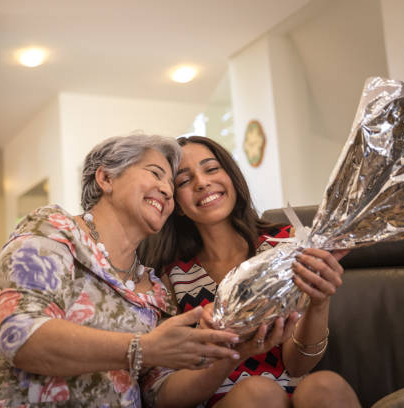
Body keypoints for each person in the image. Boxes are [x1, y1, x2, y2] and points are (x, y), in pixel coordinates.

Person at [0, 134, 242, 408]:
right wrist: (143, 348)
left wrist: (234, 351)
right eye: (155, 173)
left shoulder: (157, 291)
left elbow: (160, 395)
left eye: (171, 187)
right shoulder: (54, 231)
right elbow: (22, 335)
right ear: (106, 179)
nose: (167, 191)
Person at [139, 136, 361, 408]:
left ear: (231, 177)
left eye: (211, 169)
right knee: (258, 392)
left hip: (293, 391)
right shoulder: (171, 279)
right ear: (177, 204)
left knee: (326, 386)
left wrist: (319, 301)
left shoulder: (285, 245)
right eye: (184, 181)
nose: (202, 182)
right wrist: (224, 351)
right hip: (221, 397)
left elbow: (296, 365)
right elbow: (162, 394)